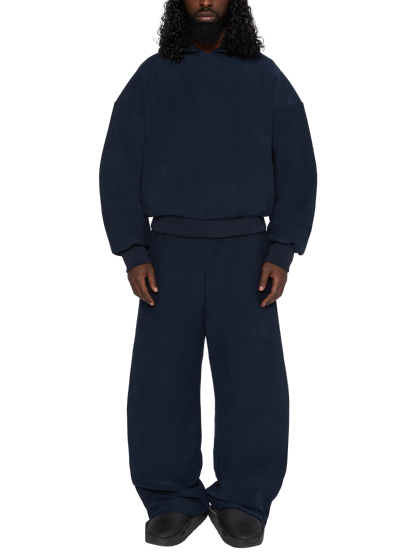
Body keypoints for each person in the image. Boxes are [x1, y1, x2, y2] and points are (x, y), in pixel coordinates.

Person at [99, 0, 317, 548]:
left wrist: (282, 249)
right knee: (160, 379)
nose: (204, 2)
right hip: (165, 254)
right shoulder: (150, 79)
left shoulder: (266, 80)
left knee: (253, 381)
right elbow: (118, 166)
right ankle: (169, 497)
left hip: (247, 254)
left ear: (234, 5)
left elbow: (298, 166)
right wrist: (133, 250)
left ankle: (245, 497)